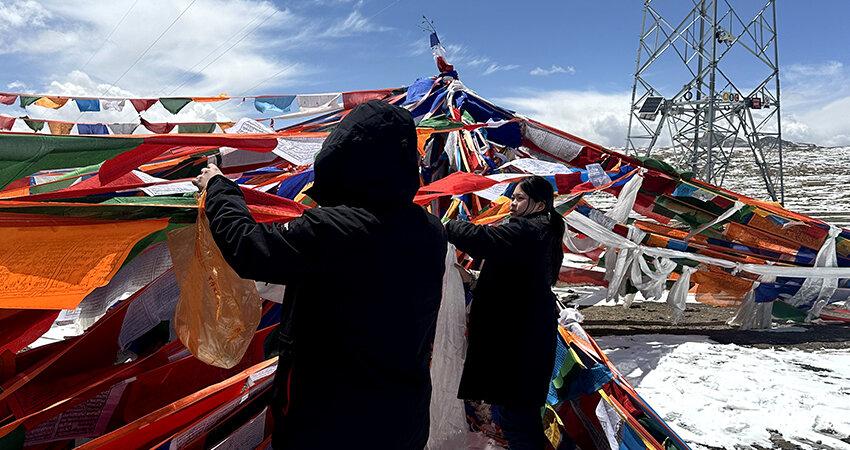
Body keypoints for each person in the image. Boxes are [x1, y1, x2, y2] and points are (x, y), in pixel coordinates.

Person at [193, 101, 448, 449]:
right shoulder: (430, 230)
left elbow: (248, 248)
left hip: (332, 424)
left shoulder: (334, 229)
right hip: (402, 418)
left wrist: (220, 188)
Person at [445, 176, 565, 450]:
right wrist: (475, 281)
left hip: (521, 341)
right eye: (513, 197)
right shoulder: (539, 230)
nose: (512, 204)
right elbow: (516, 280)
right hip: (522, 336)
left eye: (520, 198)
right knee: (516, 416)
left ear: (539, 204)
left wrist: (444, 225)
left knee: (518, 419)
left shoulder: (529, 232)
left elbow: (482, 239)